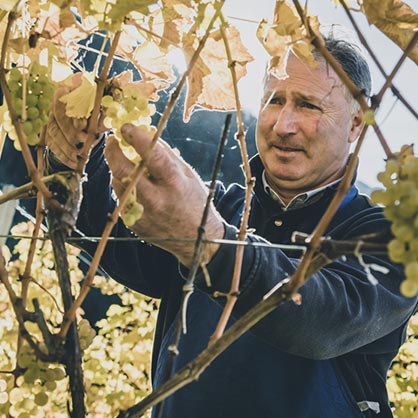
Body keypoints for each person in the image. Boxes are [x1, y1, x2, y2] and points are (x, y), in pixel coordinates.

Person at [45, 31, 417, 418]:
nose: (283, 124)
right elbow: (112, 241)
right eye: (274, 100)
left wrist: (209, 243)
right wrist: (68, 166)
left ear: (356, 123)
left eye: (308, 105)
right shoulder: (217, 206)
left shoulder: (390, 235)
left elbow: (326, 322)